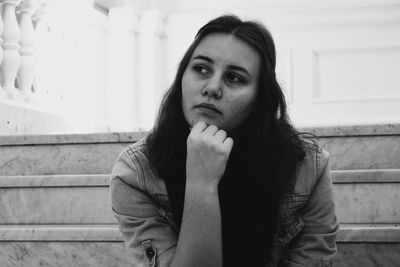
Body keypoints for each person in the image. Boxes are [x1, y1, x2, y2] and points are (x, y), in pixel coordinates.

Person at [110, 14, 338, 267]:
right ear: (181, 78)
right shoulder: (136, 172)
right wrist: (202, 182)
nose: (212, 87)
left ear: (258, 100)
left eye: (235, 78)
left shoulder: (307, 167)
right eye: (201, 68)